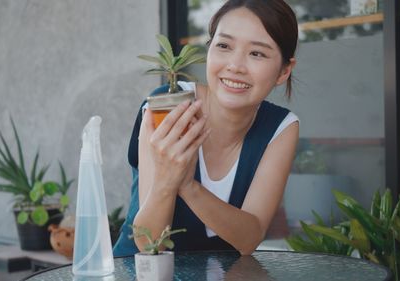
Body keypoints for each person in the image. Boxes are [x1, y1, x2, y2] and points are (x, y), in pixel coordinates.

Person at [113, 0, 299, 256]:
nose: (235, 66)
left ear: (284, 71)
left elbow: (249, 239)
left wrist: (189, 186)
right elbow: (148, 244)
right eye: (223, 46)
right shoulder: (167, 108)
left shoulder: (280, 128)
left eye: (257, 53)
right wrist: (168, 180)